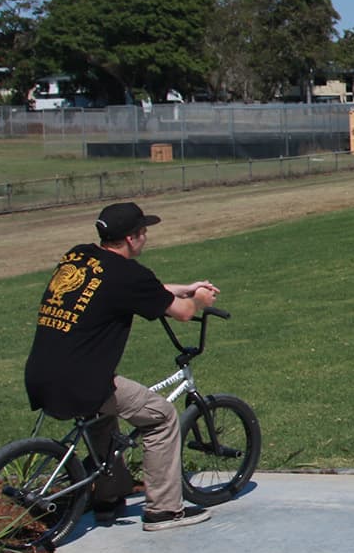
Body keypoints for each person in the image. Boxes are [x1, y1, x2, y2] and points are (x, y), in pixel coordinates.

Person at [25, 202, 219, 532]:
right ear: (131, 239)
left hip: (41, 372)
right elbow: (184, 313)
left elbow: (136, 290)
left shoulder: (79, 256)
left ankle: (108, 497)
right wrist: (199, 300)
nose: (146, 238)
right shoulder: (130, 275)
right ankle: (164, 511)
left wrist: (183, 288)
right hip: (81, 381)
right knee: (160, 417)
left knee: (103, 419)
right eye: (143, 233)